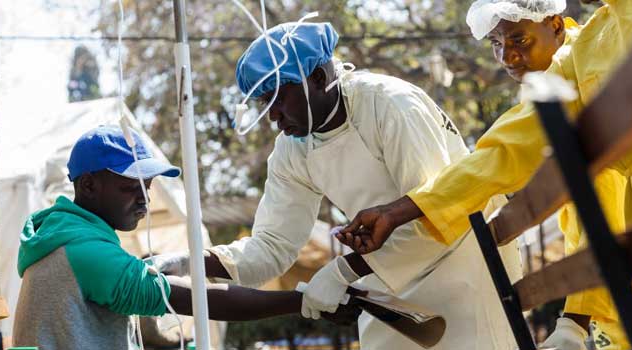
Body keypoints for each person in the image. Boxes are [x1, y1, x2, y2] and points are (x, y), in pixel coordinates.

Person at [156, 21, 522, 350]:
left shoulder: (389, 103)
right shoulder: (292, 148)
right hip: (387, 286)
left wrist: (344, 270)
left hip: (465, 268)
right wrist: (189, 262)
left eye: (278, 98)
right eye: (264, 104)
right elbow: (271, 247)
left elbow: (439, 212)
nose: (273, 117)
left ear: (317, 77)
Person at [337, 0, 632, 349]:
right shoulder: (581, 54)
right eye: (497, 45)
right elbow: (500, 153)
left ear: (554, 26)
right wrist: (396, 211)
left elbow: (602, 196)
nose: (507, 58)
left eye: (519, 41)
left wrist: (575, 320)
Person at [12, 126, 359, 350]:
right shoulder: (84, 251)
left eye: (147, 187)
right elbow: (200, 299)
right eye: (130, 187)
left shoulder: (60, 236)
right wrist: (302, 301)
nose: (145, 199)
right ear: (88, 185)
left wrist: (183, 260)